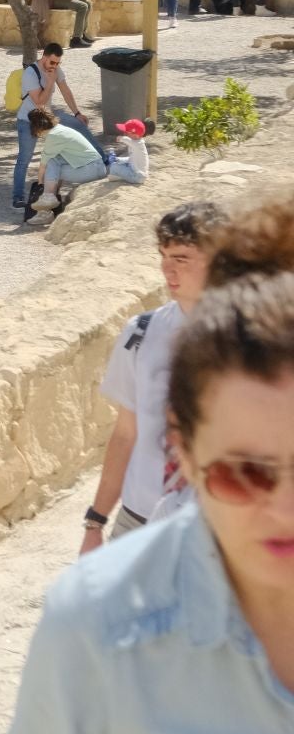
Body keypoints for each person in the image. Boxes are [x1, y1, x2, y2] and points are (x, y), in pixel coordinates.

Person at [0, 267, 294, 734]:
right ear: (186, 453)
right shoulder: (99, 624)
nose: (285, 511)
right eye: (245, 473)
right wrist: (96, 520)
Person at [80, 204, 221, 553]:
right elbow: (126, 433)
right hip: (137, 520)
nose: (167, 269)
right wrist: (95, 522)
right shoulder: (141, 332)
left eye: (182, 258)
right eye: (163, 256)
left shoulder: (259, 340)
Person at [12, 43, 108, 209]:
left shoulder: (55, 70)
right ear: (44, 57)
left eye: (58, 63)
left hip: (47, 118)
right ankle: (18, 196)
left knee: (78, 124)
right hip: (28, 120)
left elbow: (65, 90)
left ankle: (104, 161)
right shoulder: (30, 73)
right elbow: (39, 102)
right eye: (52, 63)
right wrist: (49, 81)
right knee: (24, 159)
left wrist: (77, 113)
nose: (55, 66)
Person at [27, 108, 110, 210]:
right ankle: (49, 197)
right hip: (96, 166)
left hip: (92, 170)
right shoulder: (60, 129)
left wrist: (40, 183)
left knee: (50, 168)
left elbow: (43, 166)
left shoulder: (53, 136)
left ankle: (47, 200)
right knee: (54, 161)